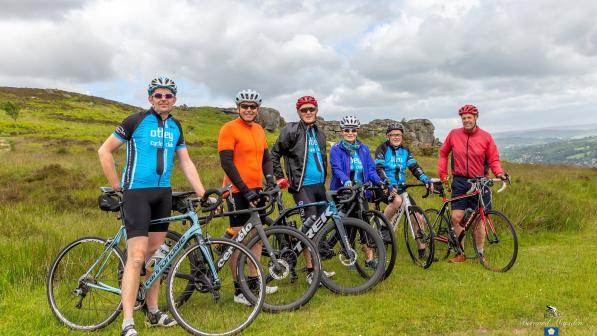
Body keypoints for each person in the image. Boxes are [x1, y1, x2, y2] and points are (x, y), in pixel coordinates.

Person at [98, 76, 207, 336]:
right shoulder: (135, 121)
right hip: (136, 194)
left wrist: (203, 193)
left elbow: (186, 162)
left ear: (174, 100)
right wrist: (117, 187)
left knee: (158, 255)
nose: (163, 99)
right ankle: (127, 321)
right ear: (150, 98)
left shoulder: (176, 126)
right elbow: (105, 151)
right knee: (136, 257)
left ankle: (154, 311)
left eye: (168, 96)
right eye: (158, 95)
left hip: (162, 196)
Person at [217, 89, 278, 305]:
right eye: (245, 106)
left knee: (256, 237)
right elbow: (227, 163)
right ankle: (239, 291)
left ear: (258, 109)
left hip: (256, 190)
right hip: (236, 191)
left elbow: (266, 158)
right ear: (238, 108)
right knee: (239, 241)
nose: (249, 110)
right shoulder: (229, 129)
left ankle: (254, 284)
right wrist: (244, 189)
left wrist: (270, 180)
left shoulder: (259, 130)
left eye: (253, 107)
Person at [270, 95, 335, 284]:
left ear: (316, 111)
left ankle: (317, 268)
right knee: (310, 225)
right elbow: (274, 154)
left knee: (320, 226)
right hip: (301, 186)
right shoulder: (291, 130)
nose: (308, 112)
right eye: (304, 110)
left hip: (319, 186)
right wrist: (280, 177)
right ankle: (310, 272)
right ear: (298, 112)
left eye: (311, 109)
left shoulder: (320, 133)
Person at [438, 104, 507, 263]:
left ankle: (480, 255)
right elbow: (443, 154)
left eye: (469, 117)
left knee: (480, 219)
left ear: (475, 118)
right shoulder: (454, 135)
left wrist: (499, 173)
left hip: (481, 181)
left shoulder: (486, 137)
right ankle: (460, 253)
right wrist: (443, 174)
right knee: (456, 217)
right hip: (460, 181)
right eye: (463, 118)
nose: (466, 120)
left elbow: (493, 159)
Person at [329, 115, 384, 267]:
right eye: (347, 130)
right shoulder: (336, 149)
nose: (350, 133)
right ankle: (350, 258)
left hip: (361, 193)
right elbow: (337, 169)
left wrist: (379, 182)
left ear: (357, 131)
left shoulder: (364, 149)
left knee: (364, 224)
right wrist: (346, 182)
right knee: (347, 227)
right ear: (342, 131)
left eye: (353, 130)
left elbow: (371, 170)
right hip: (344, 193)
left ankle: (369, 258)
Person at [374, 123, 432, 258]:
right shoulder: (382, 148)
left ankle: (422, 252)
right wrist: (387, 183)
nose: (396, 137)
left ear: (402, 136)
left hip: (401, 188)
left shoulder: (405, 150)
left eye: (398, 135)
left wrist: (424, 178)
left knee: (417, 217)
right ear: (388, 136)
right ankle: (383, 228)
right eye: (393, 134)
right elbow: (379, 168)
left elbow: (414, 167)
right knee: (397, 201)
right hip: (383, 187)